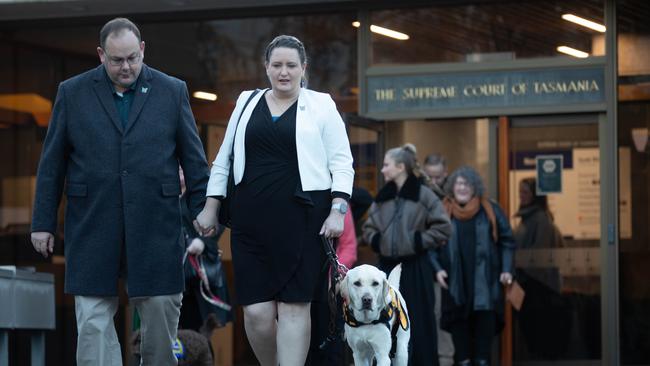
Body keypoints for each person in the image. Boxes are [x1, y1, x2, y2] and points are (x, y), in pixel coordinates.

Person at [30, 18, 209, 366]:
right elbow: (52, 163)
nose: (126, 67)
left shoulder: (172, 91)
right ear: (101, 55)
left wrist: (204, 210)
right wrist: (43, 222)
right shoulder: (72, 92)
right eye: (116, 60)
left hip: (156, 222)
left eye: (132, 58)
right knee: (93, 322)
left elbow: (195, 159)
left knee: (160, 316)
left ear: (142, 50)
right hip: (92, 222)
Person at [195, 35, 354, 366]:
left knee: (295, 307)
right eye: (277, 65)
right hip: (250, 221)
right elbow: (224, 158)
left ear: (303, 68)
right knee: (256, 313)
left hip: (305, 220)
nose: (284, 72)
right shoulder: (246, 102)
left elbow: (341, 162)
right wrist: (211, 206)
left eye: (291, 65)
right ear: (266, 67)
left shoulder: (322, 104)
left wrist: (338, 210)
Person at [362, 143, 452, 366]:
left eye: (386, 165)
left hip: (416, 268)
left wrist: (418, 241)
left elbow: (443, 227)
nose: (382, 170)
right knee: (383, 321)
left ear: (400, 167)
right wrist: (378, 241)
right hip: (385, 269)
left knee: (418, 320)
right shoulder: (383, 196)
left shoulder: (424, 195)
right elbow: (368, 228)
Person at [429, 166, 516, 366]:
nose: (462, 188)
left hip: (485, 288)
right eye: (458, 183)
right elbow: (431, 245)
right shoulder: (443, 211)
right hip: (455, 289)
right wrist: (437, 269)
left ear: (474, 187)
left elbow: (507, 241)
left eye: (466, 184)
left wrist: (506, 269)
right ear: (452, 187)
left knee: (482, 356)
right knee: (462, 356)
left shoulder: (490, 210)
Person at [423, 153, 454, 366]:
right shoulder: (421, 196)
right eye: (430, 177)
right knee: (432, 315)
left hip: (451, 265)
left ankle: (446, 359)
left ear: (446, 174)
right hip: (428, 266)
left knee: (446, 316)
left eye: (438, 177)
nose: (434, 182)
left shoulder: (455, 196)